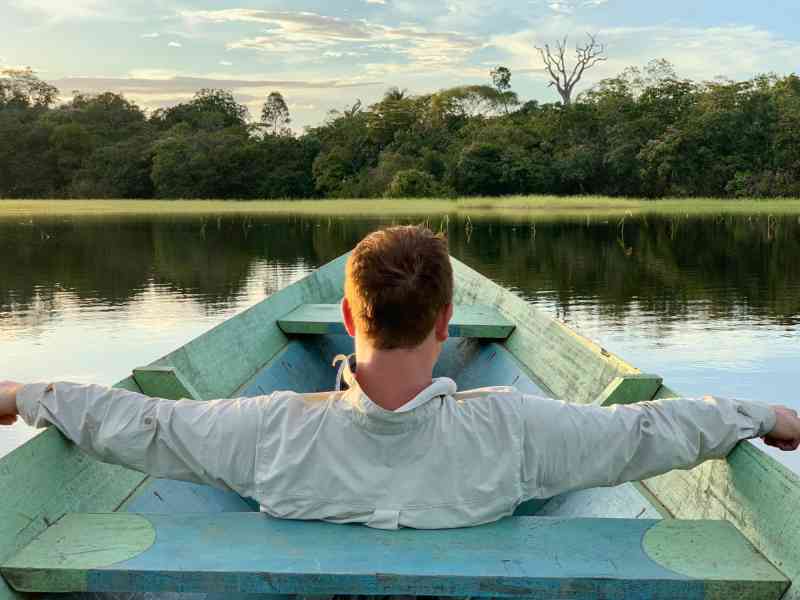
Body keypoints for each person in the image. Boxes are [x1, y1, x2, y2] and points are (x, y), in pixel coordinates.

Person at [1, 225, 799, 530]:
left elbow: (141, 426)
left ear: (347, 320)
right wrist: (761, 414)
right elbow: (646, 433)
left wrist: (26, 395)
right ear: (448, 324)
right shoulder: (516, 429)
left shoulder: (266, 428)